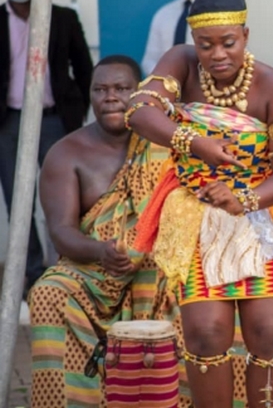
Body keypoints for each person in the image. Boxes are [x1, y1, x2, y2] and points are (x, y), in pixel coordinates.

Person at [127, 0, 273, 408]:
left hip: (259, 218)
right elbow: (139, 111)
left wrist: (247, 200)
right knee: (205, 334)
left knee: (270, 333)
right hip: (198, 217)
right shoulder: (181, 63)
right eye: (206, 45)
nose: (217, 54)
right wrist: (194, 142)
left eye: (228, 43)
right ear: (193, 42)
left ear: (246, 36)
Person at [27, 56, 187, 407]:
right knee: (47, 292)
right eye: (100, 90)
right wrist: (103, 252)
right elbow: (61, 231)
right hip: (93, 267)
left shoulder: (166, 146)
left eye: (121, 89)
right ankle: (72, 400)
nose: (110, 97)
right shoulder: (66, 153)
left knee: (189, 291)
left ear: (141, 94)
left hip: (159, 264)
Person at [1, 0, 94, 295]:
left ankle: (69, 270)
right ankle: (33, 274)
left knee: (65, 199)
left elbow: (85, 70)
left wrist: (80, 113)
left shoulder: (64, 19)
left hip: (55, 121)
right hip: (9, 123)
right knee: (18, 202)